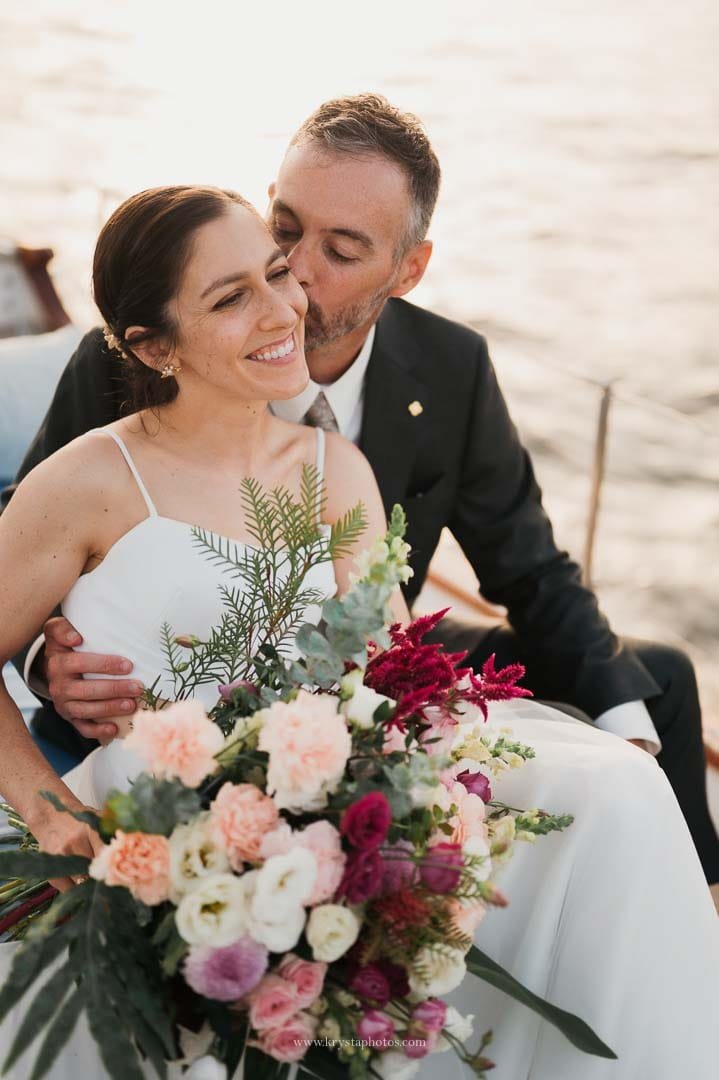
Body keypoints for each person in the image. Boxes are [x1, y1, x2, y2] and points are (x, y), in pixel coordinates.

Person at [0, 185, 717, 1080]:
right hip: (155, 824)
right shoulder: (89, 479)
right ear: (153, 346)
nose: (284, 308)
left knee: (617, 793)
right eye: (231, 299)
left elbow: (390, 680)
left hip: (319, 812)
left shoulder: (338, 471)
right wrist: (46, 810)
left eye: (274, 273)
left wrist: (413, 811)